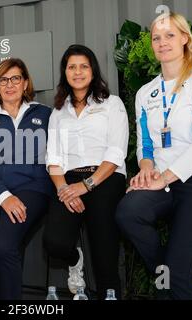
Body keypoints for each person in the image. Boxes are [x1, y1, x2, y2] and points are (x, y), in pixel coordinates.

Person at [115, 12, 192, 300]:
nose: (162, 42)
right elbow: (145, 145)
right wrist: (145, 169)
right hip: (162, 182)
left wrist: (163, 176)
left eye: (169, 35)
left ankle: (168, 279)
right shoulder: (145, 92)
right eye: (156, 37)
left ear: (184, 39)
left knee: (176, 276)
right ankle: (163, 274)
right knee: (128, 211)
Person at [43, 44, 128, 299]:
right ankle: (74, 259)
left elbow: (115, 152)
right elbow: (53, 157)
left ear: (93, 71)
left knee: (104, 249)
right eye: (72, 67)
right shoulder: (58, 111)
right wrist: (63, 189)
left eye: (83, 66)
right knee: (55, 243)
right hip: (68, 180)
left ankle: (109, 293)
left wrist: (86, 185)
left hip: (106, 177)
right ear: (65, 72)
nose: (77, 72)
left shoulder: (112, 104)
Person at [0, 58, 53, 299]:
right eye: (3, 80)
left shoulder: (44, 114)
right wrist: (3, 196)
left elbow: (55, 157)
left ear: (25, 83)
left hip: (31, 189)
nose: (9, 85)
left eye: (15, 78)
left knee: (4, 247)